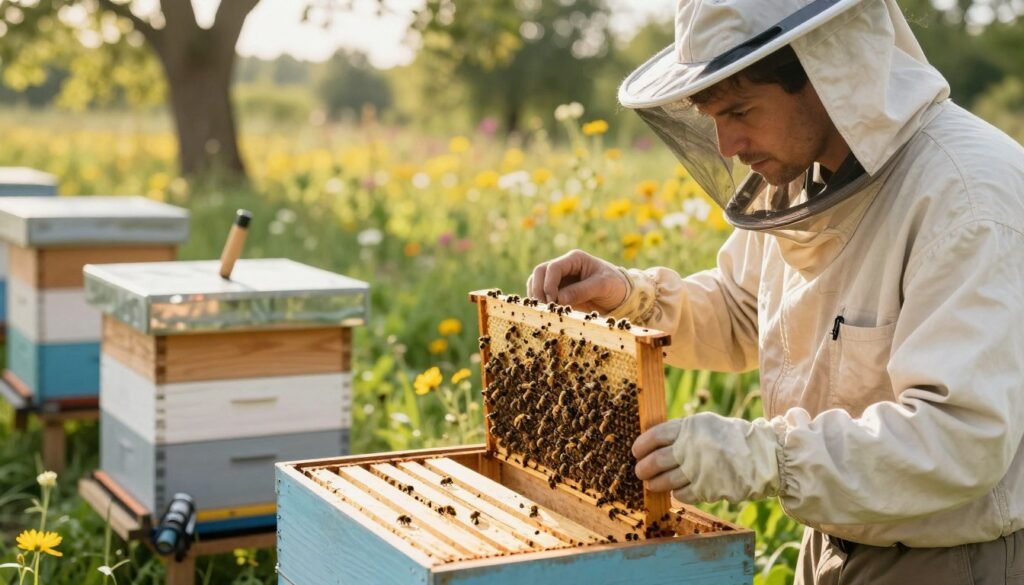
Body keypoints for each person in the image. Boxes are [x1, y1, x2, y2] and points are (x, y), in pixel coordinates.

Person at [526, 0, 1024, 582]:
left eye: (739, 110)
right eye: (712, 115)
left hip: (950, 560)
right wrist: (629, 298)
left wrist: (760, 457)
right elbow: (746, 312)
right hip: (834, 540)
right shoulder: (802, 174)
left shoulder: (966, 198)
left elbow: (958, 438)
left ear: (828, 74)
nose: (726, 144)